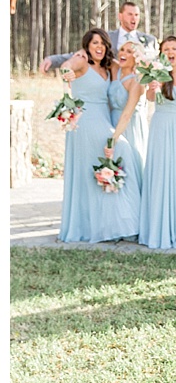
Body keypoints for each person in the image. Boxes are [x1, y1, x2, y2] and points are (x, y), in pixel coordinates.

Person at [58, 29, 143, 243]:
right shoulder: (81, 61)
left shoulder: (107, 67)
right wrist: (66, 71)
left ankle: (112, 224)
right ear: (87, 46)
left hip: (104, 119)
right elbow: (66, 67)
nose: (99, 47)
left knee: (99, 171)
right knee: (119, 152)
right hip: (85, 122)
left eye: (102, 43)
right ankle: (105, 225)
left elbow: (130, 63)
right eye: (94, 43)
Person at [137, 37, 176, 250]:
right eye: (166, 49)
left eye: (174, 48)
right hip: (163, 128)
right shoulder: (158, 72)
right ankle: (161, 230)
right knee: (163, 174)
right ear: (162, 53)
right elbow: (150, 97)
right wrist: (153, 87)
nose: (171, 52)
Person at [40, 2, 155, 73]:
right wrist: (53, 60)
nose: (134, 18)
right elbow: (80, 55)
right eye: (130, 14)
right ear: (120, 16)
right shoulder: (106, 37)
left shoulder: (150, 40)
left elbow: (156, 64)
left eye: (136, 15)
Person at [108, 41, 153, 157]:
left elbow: (127, 114)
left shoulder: (136, 81)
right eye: (122, 49)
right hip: (111, 122)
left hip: (129, 127)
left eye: (129, 51)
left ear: (136, 58)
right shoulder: (114, 68)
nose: (123, 53)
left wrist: (112, 140)